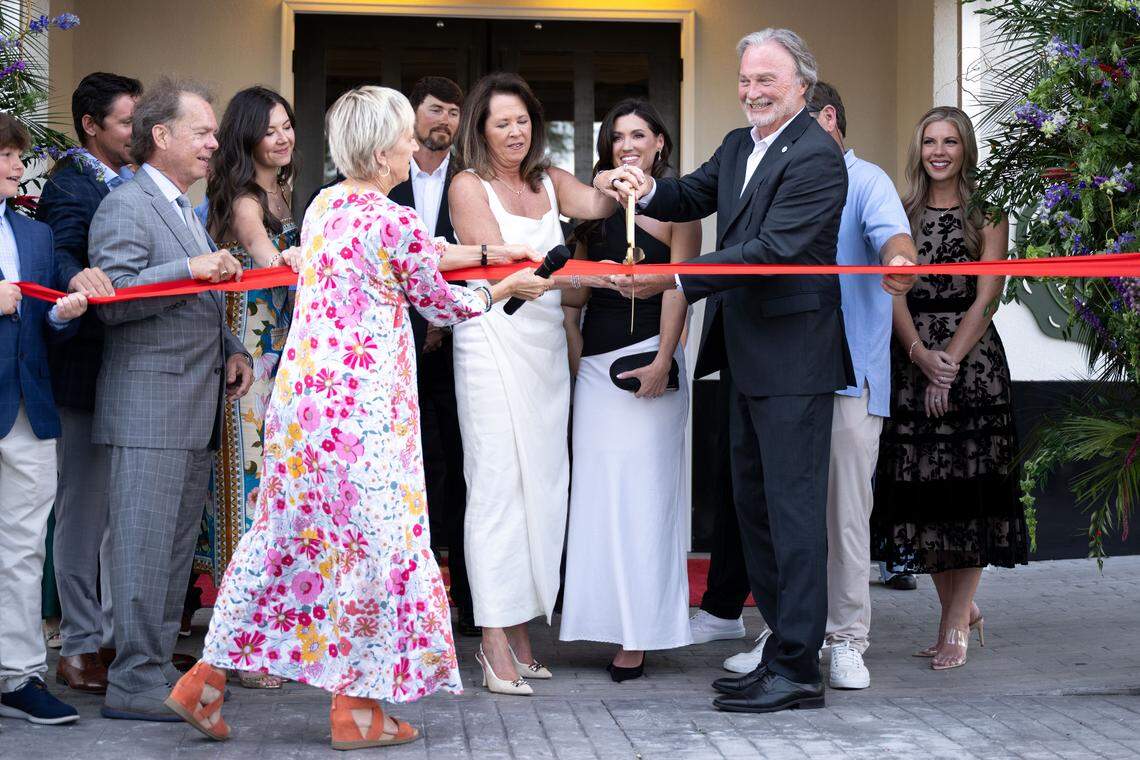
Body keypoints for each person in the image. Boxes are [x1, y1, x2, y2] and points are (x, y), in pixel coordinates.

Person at [166, 85, 548, 750]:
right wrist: (506, 285)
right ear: (380, 149)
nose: (412, 146)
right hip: (364, 418)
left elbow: (403, 264)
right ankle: (358, 710)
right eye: (403, 136)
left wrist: (480, 264)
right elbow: (443, 306)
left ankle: (205, 678)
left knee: (281, 542)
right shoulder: (390, 220)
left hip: (302, 410)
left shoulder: (324, 207)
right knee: (376, 552)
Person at [595, 29, 913, 713]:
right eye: (745, 80)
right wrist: (645, 186)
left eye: (765, 79)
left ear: (801, 82)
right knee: (755, 510)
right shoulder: (740, 145)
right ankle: (783, 647)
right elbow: (688, 195)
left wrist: (673, 276)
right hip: (742, 356)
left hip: (795, 359)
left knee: (795, 515)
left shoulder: (819, 157)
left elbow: (774, 250)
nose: (752, 92)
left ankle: (800, 668)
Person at [88, 77, 254, 721]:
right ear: (162, 137)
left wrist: (230, 346)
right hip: (149, 409)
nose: (216, 143)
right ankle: (132, 681)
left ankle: (152, 668)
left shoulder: (180, 206)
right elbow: (115, 300)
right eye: (204, 132)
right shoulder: (128, 204)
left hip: (189, 407)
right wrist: (190, 270)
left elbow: (198, 301)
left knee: (170, 552)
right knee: (143, 550)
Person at [448, 71, 617, 695]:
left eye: (522, 120)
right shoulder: (469, 186)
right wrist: (591, 280)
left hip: (546, 346)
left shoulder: (549, 180)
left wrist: (620, 178)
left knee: (544, 487)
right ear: (481, 130)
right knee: (496, 486)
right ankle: (492, 639)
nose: (515, 131)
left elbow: (597, 205)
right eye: (501, 123)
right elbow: (511, 270)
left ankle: (521, 628)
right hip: (493, 338)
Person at [871, 105, 1027, 671]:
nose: (939, 151)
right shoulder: (901, 212)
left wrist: (949, 365)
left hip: (974, 363)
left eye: (951, 141)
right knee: (927, 497)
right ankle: (957, 611)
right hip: (912, 358)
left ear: (966, 150)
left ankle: (955, 621)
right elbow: (890, 291)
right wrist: (919, 356)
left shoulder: (987, 213)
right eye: (930, 141)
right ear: (920, 149)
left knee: (972, 493)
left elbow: (987, 296)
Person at [558, 99, 700, 681]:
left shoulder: (680, 206)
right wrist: (571, 364)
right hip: (596, 366)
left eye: (639, 135)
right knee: (597, 499)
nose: (628, 145)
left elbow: (681, 287)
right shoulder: (592, 211)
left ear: (660, 143)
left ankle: (641, 633)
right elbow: (574, 299)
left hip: (653, 362)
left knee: (645, 499)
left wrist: (666, 360)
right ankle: (600, 620)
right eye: (618, 137)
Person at [808, 82, 917, 689]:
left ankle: (848, 641)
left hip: (853, 379)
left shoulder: (867, 180)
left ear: (828, 118)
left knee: (847, 517)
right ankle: (787, 632)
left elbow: (894, 240)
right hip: (790, 377)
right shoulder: (783, 176)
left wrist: (900, 262)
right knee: (789, 515)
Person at [35, 71, 141, 695]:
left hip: (123, 369)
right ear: (90, 127)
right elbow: (62, 258)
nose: (136, 132)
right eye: (126, 122)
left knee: (112, 518)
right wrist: (80, 277)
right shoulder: (71, 184)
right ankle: (77, 647)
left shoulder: (125, 180)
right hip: (83, 371)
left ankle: (108, 640)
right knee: (81, 513)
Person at [197, 86, 300, 690]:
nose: (283, 137)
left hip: (285, 349)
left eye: (288, 125)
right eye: (271, 129)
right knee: (248, 490)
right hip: (251, 358)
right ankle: (240, 644)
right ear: (247, 138)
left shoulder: (285, 193)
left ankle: (266, 633)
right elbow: (272, 263)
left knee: (278, 489)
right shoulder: (242, 199)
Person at [0, 112, 90, 726]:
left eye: (16, 154)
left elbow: (40, 326)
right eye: (4, 155)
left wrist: (61, 318)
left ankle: (18, 676)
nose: (16, 165)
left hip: (30, 410)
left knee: (24, 551)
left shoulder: (33, 237)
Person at [387, 76, 479, 637]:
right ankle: (412, 599)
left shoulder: (470, 183)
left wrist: (442, 323)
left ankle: (469, 600)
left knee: (465, 469)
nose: (444, 120)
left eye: (453, 111)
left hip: (461, 346)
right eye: (435, 109)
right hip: (397, 348)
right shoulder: (385, 181)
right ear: (412, 115)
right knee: (411, 470)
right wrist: (419, 322)